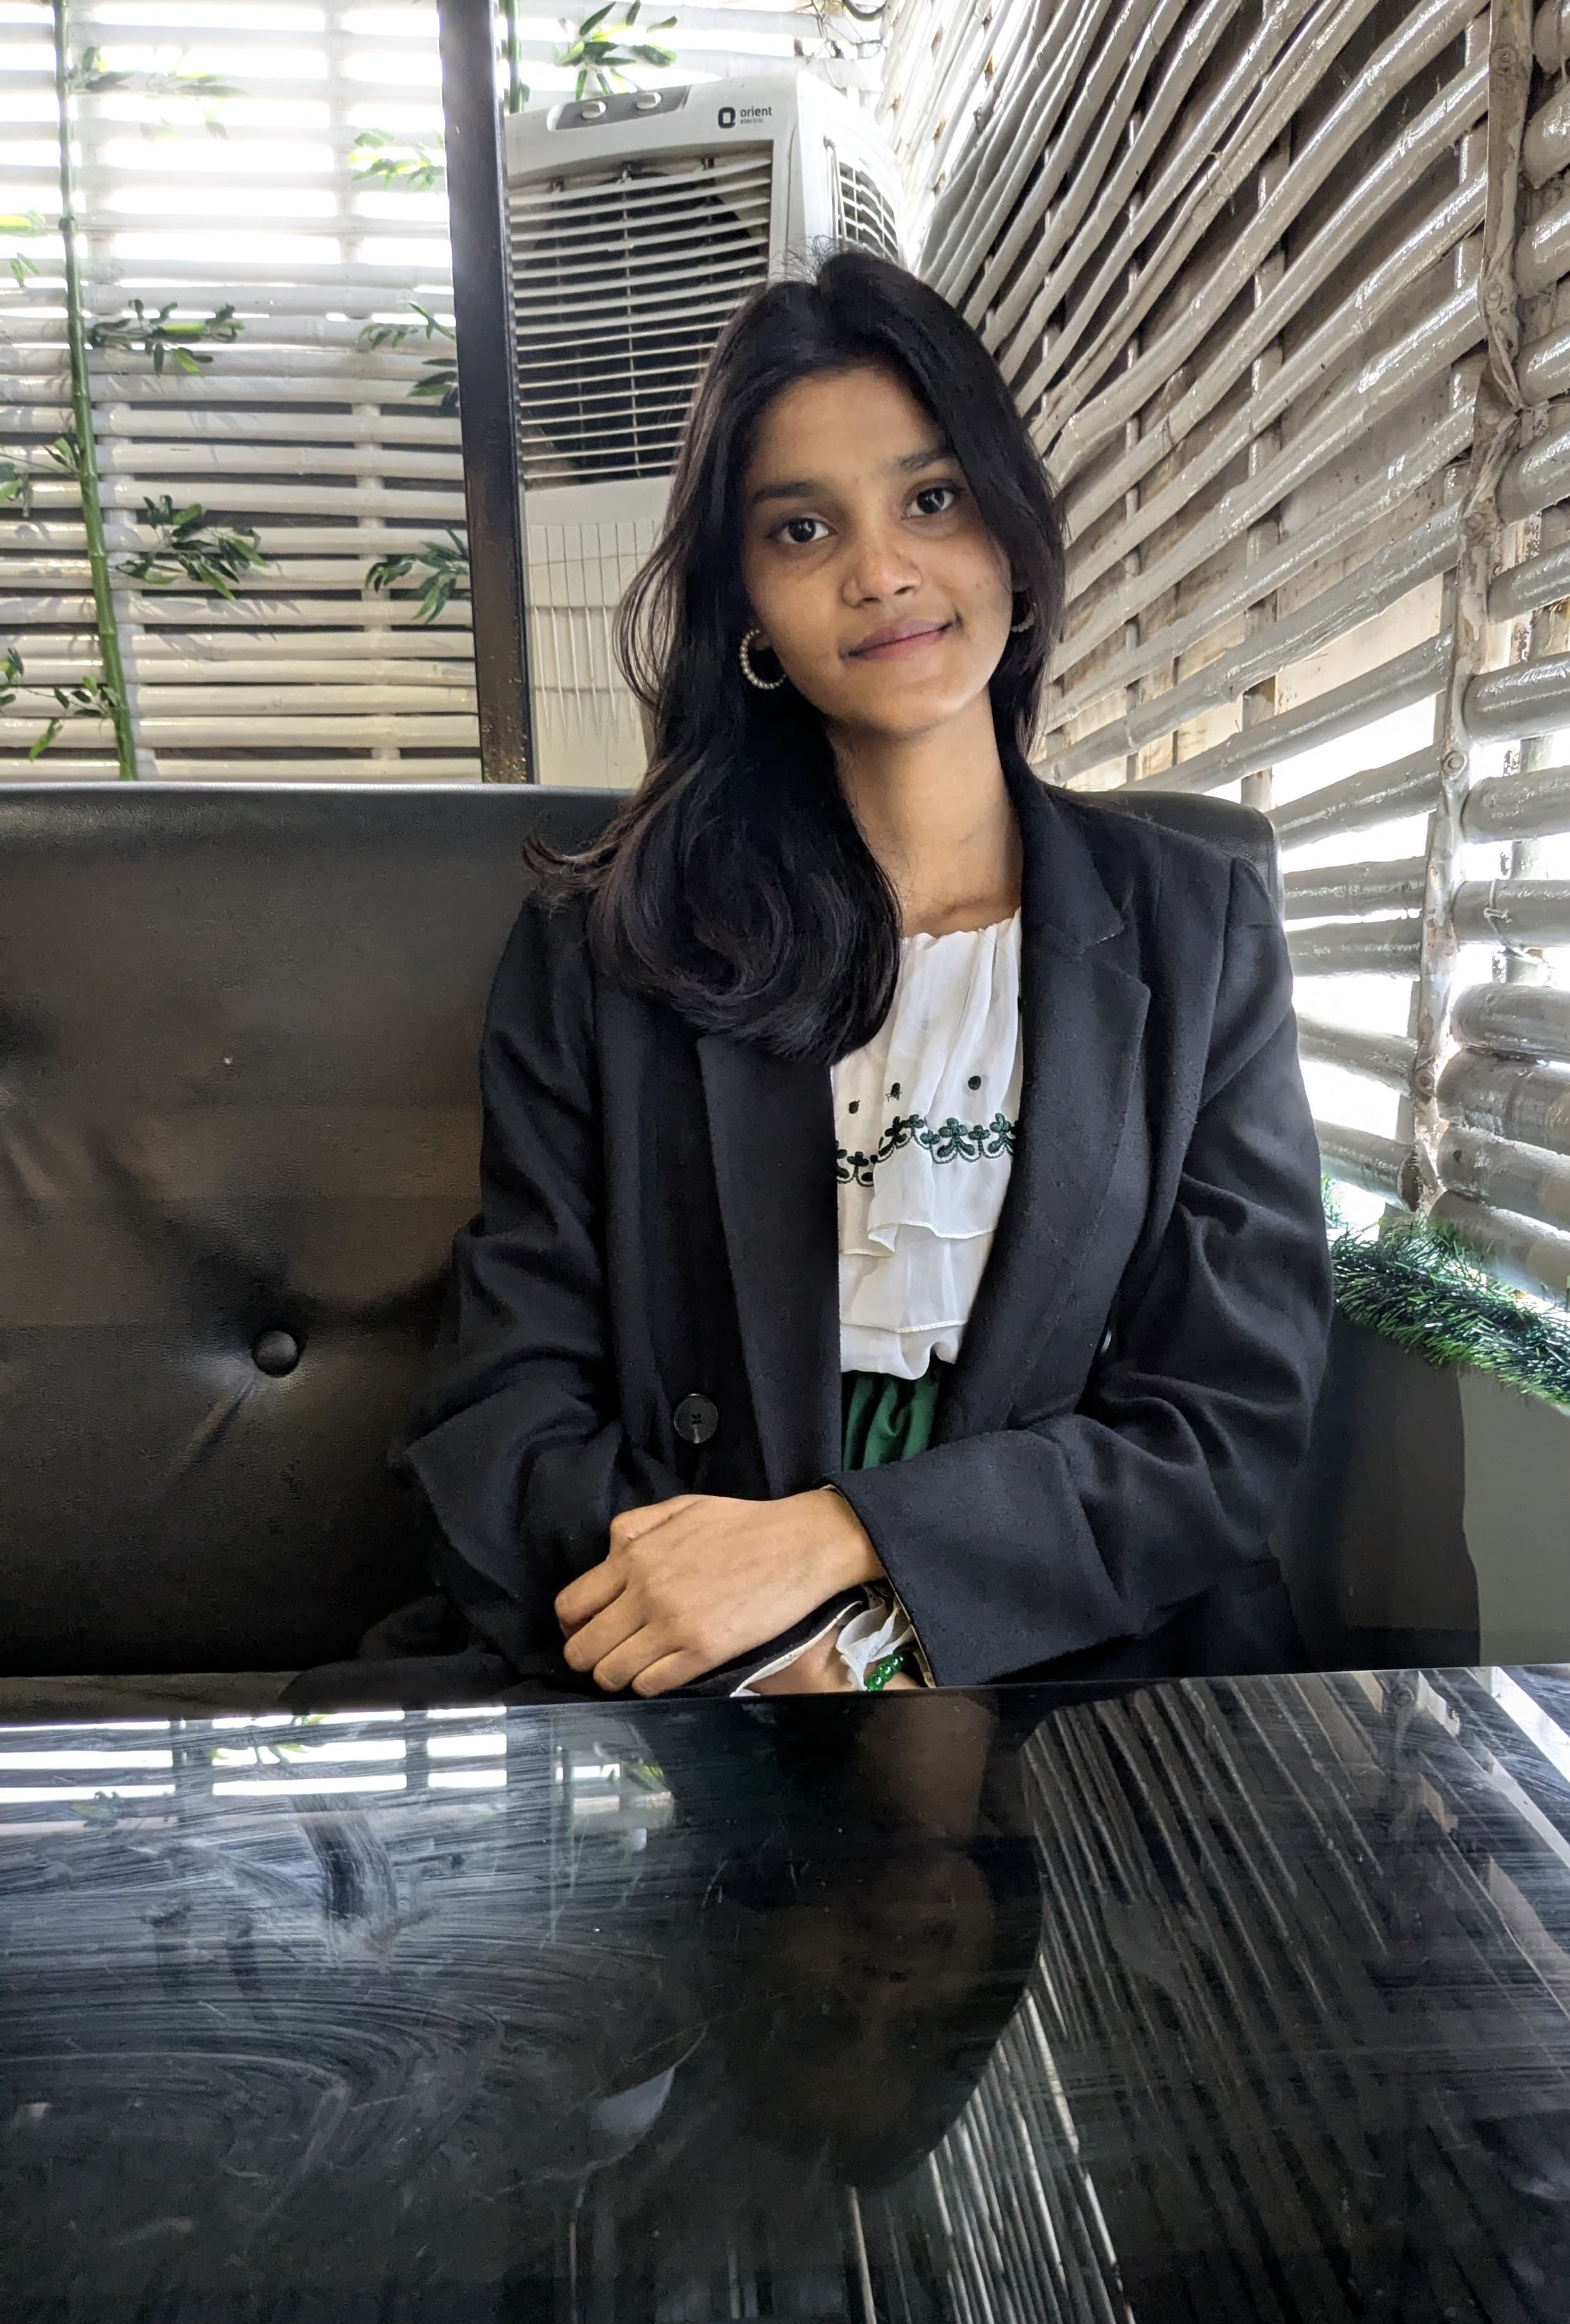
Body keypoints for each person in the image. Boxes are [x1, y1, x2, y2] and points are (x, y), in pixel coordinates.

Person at [399, 246, 1330, 1697]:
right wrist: (755, 1653)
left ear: (1010, 532)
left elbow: (1229, 1416)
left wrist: (852, 1558)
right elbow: (506, 1403)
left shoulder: (1196, 929)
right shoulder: (605, 944)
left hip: (1078, 1673)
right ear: (747, 604)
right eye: (801, 528)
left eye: (931, 500)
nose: (880, 569)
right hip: (700, 1689)